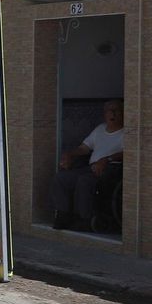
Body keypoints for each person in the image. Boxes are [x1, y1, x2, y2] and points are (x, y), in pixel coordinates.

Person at [51, 99, 124, 232]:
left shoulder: (125, 133)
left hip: (111, 168)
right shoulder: (100, 129)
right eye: (109, 111)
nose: (112, 113)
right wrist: (70, 155)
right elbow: (84, 148)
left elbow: (127, 153)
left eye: (116, 110)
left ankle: (84, 219)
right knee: (61, 178)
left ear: (122, 113)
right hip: (91, 167)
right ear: (105, 114)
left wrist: (107, 159)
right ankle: (63, 214)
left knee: (84, 181)